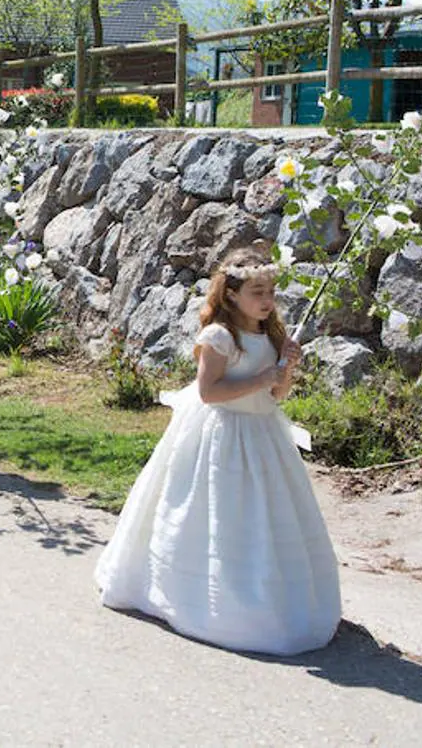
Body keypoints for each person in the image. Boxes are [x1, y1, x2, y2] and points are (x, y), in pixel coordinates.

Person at [94, 245, 340, 655]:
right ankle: (203, 597)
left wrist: (286, 370)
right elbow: (209, 393)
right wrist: (264, 377)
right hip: (221, 435)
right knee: (215, 514)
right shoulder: (220, 337)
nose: (266, 301)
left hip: (263, 436)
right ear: (231, 295)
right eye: (257, 293)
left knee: (262, 517)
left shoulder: (271, 335)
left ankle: (267, 599)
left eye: (270, 293)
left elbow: (276, 396)